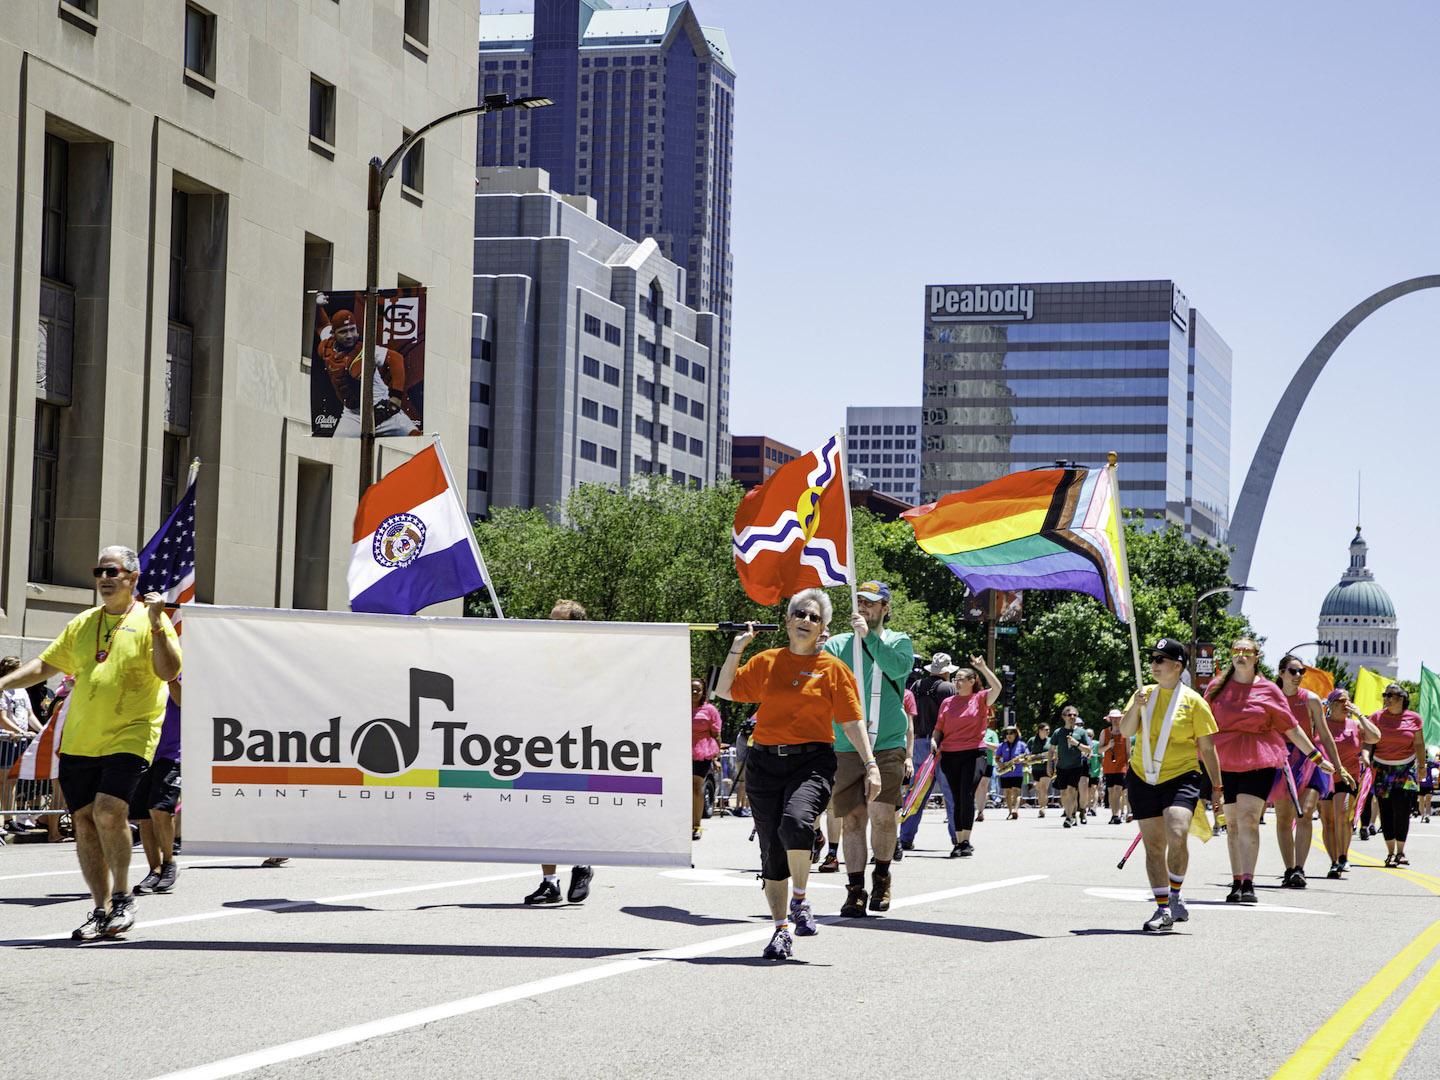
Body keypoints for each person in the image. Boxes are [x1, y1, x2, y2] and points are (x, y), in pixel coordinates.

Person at [0, 546, 180, 940]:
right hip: (81, 737)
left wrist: (154, 622)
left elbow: (169, 671)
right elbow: (45, 666)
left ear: (132, 577)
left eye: (112, 571)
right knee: (82, 821)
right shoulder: (83, 623)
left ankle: (124, 897)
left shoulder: (153, 621)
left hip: (132, 733)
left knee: (109, 810)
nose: (103, 577)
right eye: (98, 570)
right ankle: (100, 908)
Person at [716, 588, 877, 961]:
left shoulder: (833, 670)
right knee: (771, 853)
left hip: (812, 762)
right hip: (764, 764)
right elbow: (725, 689)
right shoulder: (767, 661)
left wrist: (870, 764)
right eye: (800, 614)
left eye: (814, 617)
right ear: (788, 621)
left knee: (796, 821)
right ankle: (780, 931)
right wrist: (739, 646)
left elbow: (852, 721)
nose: (806, 620)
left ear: (823, 628)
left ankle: (801, 901)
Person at [1205, 638, 1333, 903]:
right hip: (1225, 760)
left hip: (1259, 758)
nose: (1241, 655)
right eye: (1236, 651)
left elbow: (1291, 728)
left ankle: (1249, 882)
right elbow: (1202, 725)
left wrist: (1317, 757)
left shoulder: (1269, 690)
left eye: (1246, 652)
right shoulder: (1217, 688)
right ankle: (1237, 880)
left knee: (1249, 818)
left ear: (1256, 657)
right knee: (1232, 824)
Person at [821, 581, 915, 916]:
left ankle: (883, 876)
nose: (864, 608)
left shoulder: (898, 640)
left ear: (885, 608)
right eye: (860, 602)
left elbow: (898, 668)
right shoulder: (837, 644)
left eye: (872, 603)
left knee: (882, 816)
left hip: (887, 742)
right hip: (846, 744)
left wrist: (869, 639)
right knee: (853, 818)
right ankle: (856, 889)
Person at [1120, 638, 1224, 932]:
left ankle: (1176, 894)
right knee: (1154, 846)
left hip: (1181, 775)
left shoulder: (1194, 702)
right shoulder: (1143, 694)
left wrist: (1217, 787)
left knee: (1177, 830)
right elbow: (1126, 730)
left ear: (1177, 666)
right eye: (1152, 659)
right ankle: (1162, 909)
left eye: (1160, 660)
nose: (1153, 665)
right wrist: (1134, 708)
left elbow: (1207, 748)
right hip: (1143, 775)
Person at [523, 600, 594, 906]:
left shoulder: (589, 657)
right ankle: (549, 883)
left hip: (577, 744)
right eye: (549, 620)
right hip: (541, 742)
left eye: (558, 621)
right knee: (543, 813)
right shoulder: (540, 655)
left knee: (572, 810)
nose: (550, 626)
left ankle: (581, 864)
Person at [1273, 656, 1347, 888]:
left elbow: (1324, 735)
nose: (1298, 676)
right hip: (1280, 760)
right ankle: (1288, 868)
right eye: (1293, 671)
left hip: (1310, 759)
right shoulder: (1271, 699)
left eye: (1301, 671)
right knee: (1283, 818)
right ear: (1282, 672)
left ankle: (1299, 869)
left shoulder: (1311, 700)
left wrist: (1338, 765)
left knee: (1304, 813)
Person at [314, 296, 420, 437]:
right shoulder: (327, 345)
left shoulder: (366, 350)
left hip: (381, 410)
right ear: (333, 333)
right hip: (353, 415)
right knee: (335, 450)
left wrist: (396, 398)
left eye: (353, 330)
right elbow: (321, 325)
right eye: (344, 331)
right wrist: (317, 305)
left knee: (416, 439)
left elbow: (396, 359)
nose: (350, 335)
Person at [930, 657, 1002, 857]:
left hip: (974, 752)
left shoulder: (980, 699)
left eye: (962, 678)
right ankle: (959, 841)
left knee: (966, 794)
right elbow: (939, 729)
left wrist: (983, 668)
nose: (957, 682)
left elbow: (997, 687)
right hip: (950, 754)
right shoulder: (947, 702)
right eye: (956, 679)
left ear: (972, 681)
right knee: (956, 797)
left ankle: (966, 841)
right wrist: (934, 741)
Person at [899, 653, 959, 850]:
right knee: (950, 793)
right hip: (942, 744)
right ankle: (957, 837)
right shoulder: (949, 689)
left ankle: (905, 837)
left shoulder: (915, 686)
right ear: (945, 672)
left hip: (917, 743)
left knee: (916, 792)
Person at [1319, 689, 1379, 878]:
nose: (1345, 704)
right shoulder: (1322, 725)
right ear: (1330, 704)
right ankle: (1334, 862)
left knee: (1343, 814)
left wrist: (1359, 714)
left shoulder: (1354, 725)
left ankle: (1344, 856)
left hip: (1348, 778)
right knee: (1328, 822)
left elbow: (1375, 737)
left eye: (1348, 700)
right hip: (1324, 777)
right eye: (1340, 700)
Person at [130, 680, 183, 894]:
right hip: (142, 750)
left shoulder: (176, 672)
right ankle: (154, 869)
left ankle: (169, 862)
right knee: (142, 815)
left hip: (173, 753)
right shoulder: (141, 673)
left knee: (160, 808)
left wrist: (168, 677)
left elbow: (182, 701)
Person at [1367, 683, 1426, 868]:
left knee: (1402, 809)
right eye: (1385, 695)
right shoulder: (1376, 717)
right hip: (1382, 768)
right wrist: (1365, 758)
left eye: (1390, 695)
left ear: (1401, 698)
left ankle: (1400, 851)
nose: (1386, 698)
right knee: (1386, 810)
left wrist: (1422, 766)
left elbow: (1419, 744)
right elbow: (1368, 741)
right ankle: (1390, 851)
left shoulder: (1414, 718)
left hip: (1405, 768)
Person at [1, 656, 43, 832]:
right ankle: (5, 818)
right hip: (7, 740)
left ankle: (10, 818)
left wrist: (42, 731)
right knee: (3, 781)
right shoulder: (3, 689)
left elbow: (29, 714)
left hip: (20, 740)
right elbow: (2, 718)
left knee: (12, 782)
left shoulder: (22, 690)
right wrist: (20, 731)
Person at [690, 678, 721, 841]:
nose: (694, 692)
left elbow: (716, 735)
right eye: (692, 689)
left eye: (698, 689)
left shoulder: (709, 710)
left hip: (703, 751)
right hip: (682, 750)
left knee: (696, 787)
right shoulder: (679, 708)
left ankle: (696, 825)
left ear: (703, 691)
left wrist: (717, 758)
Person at [1050, 707, 1091, 827]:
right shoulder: (1058, 732)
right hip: (1061, 766)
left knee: (1071, 790)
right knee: (1063, 793)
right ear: (1064, 717)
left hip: (1076, 766)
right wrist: (1049, 766)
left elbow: (1088, 749)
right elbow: (1051, 750)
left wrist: (1076, 743)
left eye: (1074, 715)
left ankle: (1069, 817)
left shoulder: (1081, 732)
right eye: (1069, 715)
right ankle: (1071, 813)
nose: (1072, 717)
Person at [1099, 708, 1130, 824]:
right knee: (1111, 791)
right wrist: (1108, 746)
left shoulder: (1125, 733)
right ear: (1110, 719)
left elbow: (1128, 752)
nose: (1115, 721)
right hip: (1109, 766)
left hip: (1121, 766)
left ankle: (1117, 815)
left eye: (1117, 718)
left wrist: (1128, 766)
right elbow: (1099, 749)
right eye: (1113, 718)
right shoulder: (1104, 732)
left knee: (1118, 789)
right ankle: (1113, 815)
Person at [994, 726, 1029, 819]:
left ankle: (1015, 810)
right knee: (1008, 792)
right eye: (1007, 733)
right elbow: (996, 758)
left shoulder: (1022, 745)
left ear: (1015, 734)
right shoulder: (1002, 745)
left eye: (1011, 733)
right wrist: (1000, 763)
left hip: (1017, 772)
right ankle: (1010, 812)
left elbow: (1027, 757)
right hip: (1005, 773)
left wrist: (1021, 760)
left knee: (1016, 791)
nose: (1009, 735)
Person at [1031, 722, 1053, 816]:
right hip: (1035, 768)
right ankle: (1041, 805)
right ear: (1040, 730)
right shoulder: (1032, 740)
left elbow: (1054, 753)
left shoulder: (1051, 740)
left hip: (1047, 767)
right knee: (1039, 788)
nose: (1048, 731)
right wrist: (1040, 756)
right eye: (1046, 729)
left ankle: (1042, 808)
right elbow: (1027, 753)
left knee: (1044, 787)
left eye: (1048, 729)